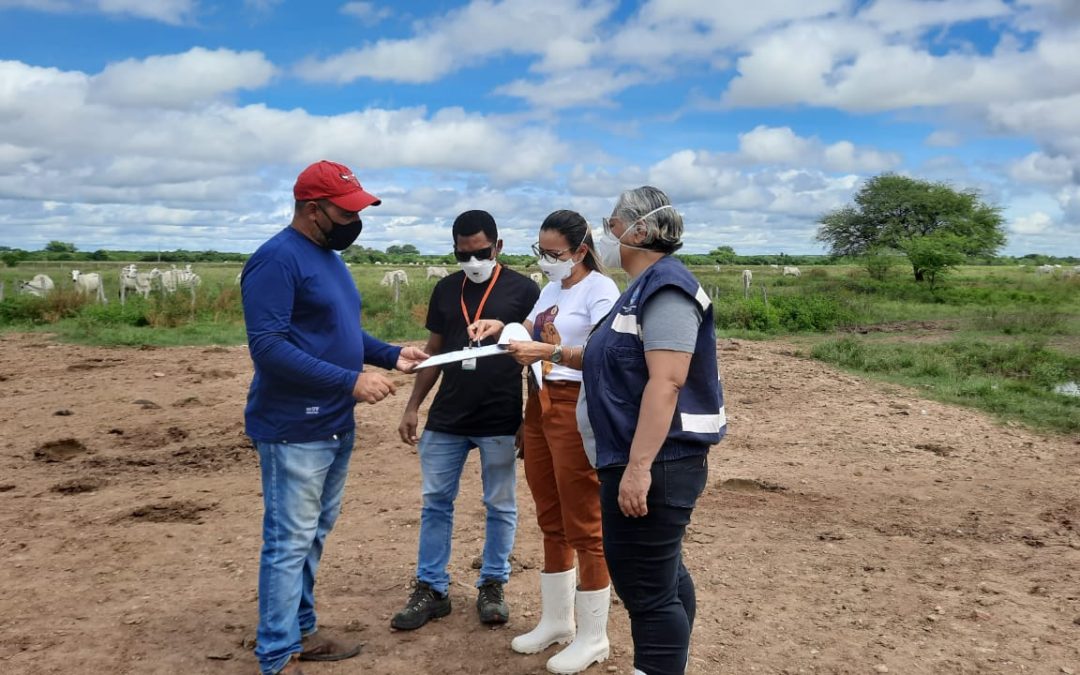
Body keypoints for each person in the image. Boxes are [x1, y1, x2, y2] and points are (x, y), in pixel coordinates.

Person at [479, 187, 725, 675]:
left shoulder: (666, 288)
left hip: (659, 459)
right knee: (663, 576)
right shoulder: (643, 286)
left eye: (613, 223)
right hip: (627, 449)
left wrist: (637, 468)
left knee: (647, 590)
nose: (607, 231)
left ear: (639, 230)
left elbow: (668, 381)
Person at [241, 160, 429, 675]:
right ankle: (277, 654)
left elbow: (340, 333)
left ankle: (299, 631)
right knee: (289, 540)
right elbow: (269, 348)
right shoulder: (276, 260)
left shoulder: (328, 258)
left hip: (332, 423)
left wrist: (390, 354)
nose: (353, 220)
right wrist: (349, 381)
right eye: (345, 211)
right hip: (293, 428)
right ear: (311, 209)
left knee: (312, 534)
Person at [468, 210, 619, 674]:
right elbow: (531, 329)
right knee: (549, 514)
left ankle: (594, 635)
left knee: (584, 519)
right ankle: (558, 621)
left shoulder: (602, 291)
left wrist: (549, 351)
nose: (547, 261)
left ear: (580, 250)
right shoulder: (552, 290)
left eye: (554, 253)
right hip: (538, 400)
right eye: (541, 251)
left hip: (576, 404)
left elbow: (605, 352)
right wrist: (502, 328)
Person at [392, 210, 540, 632]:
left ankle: (492, 585)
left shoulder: (524, 290)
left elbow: (535, 360)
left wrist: (528, 420)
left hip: (499, 416)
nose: (472, 260)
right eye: (463, 253)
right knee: (436, 502)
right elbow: (433, 350)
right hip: (447, 418)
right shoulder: (445, 289)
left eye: (481, 252)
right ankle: (431, 589)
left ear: (499, 246)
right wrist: (413, 405)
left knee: (499, 504)